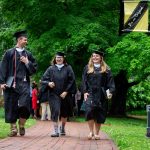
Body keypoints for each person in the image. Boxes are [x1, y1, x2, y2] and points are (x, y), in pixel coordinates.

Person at [0, 30, 37, 137]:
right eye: (25, 39)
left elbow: (34, 69)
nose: (26, 41)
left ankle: (21, 125)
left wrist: (27, 62)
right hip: (10, 84)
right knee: (10, 105)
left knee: (25, 106)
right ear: (19, 40)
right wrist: (1, 82)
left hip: (24, 84)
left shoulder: (28, 54)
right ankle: (13, 129)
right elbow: (3, 68)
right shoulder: (9, 53)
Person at [82, 50, 115, 140]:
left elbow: (110, 82)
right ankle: (90, 132)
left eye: (97, 56)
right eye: (93, 56)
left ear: (101, 57)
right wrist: (84, 91)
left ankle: (97, 133)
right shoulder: (87, 68)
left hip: (101, 94)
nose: (95, 58)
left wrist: (110, 92)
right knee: (89, 111)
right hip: (90, 93)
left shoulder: (106, 69)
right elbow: (84, 81)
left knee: (99, 113)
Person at [41, 52, 76, 137]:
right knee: (55, 110)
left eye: (60, 57)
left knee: (64, 113)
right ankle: (56, 131)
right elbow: (43, 80)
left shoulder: (68, 68)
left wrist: (66, 91)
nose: (58, 59)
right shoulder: (51, 68)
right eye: (57, 57)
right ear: (55, 59)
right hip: (54, 94)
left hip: (65, 94)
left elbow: (72, 81)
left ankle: (62, 127)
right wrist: (49, 83)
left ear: (63, 59)